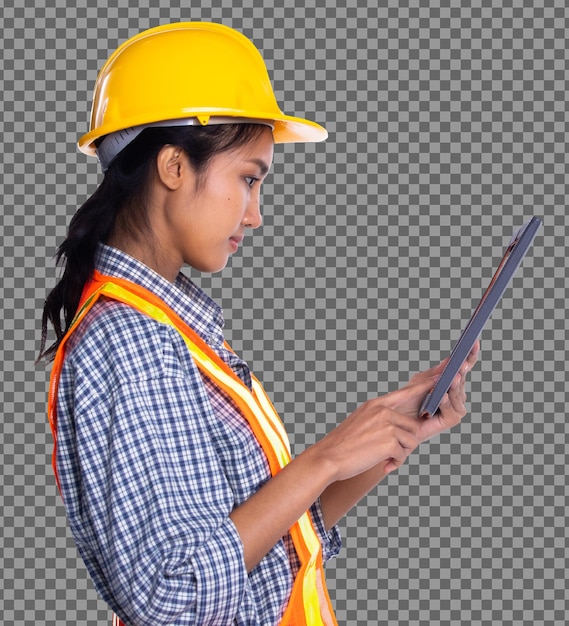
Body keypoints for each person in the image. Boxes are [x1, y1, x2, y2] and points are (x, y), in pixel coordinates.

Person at [39, 22, 479, 626]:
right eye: (248, 178)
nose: (257, 214)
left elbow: (267, 548)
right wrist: (323, 457)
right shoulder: (130, 342)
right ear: (173, 166)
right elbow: (178, 596)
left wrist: (385, 443)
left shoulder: (174, 331)